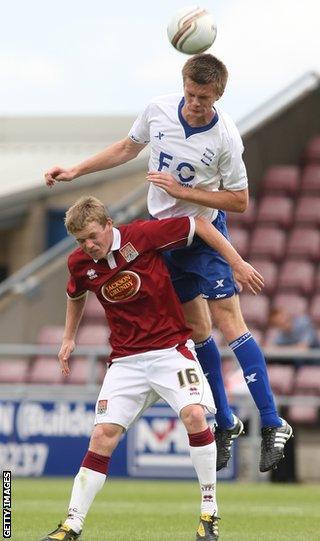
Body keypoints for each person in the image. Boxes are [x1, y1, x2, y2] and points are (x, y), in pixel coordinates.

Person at [44, 53, 292, 473]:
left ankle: (271, 422)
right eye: (191, 94)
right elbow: (127, 147)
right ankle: (227, 420)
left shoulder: (227, 139)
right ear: (183, 85)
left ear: (219, 96)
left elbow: (240, 200)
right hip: (165, 238)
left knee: (231, 326)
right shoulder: (158, 111)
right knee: (197, 332)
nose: (196, 103)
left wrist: (184, 191)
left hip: (204, 234)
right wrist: (76, 171)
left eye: (205, 98)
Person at [40, 195, 264, 541]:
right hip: (126, 362)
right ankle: (71, 525)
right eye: (81, 240)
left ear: (109, 225)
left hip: (170, 351)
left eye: (92, 236)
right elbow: (75, 294)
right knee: (101, 436)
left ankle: (209, 514)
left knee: (193, 415)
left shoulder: (143, 236)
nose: (89, 245)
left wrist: (235, 262)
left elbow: (200, 224)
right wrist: (68, 338)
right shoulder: (79, 262)